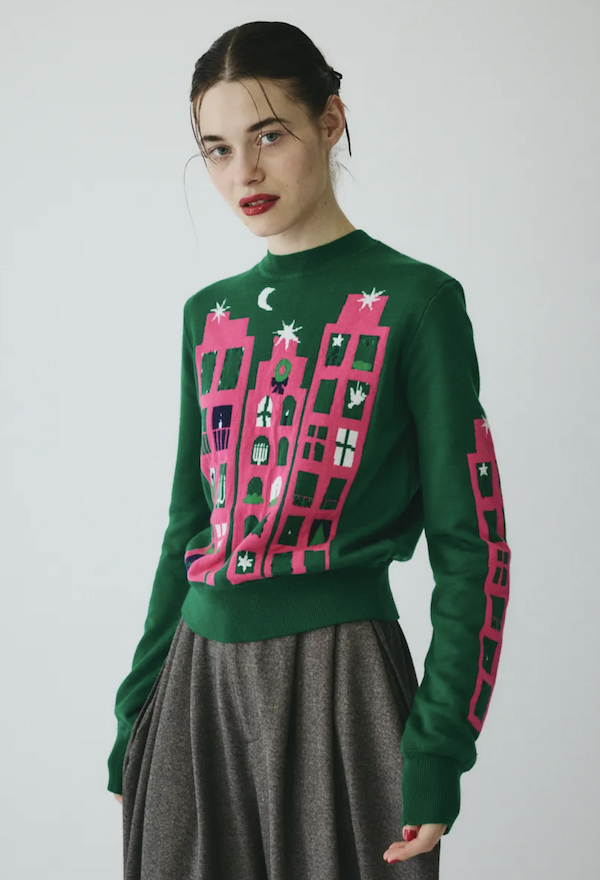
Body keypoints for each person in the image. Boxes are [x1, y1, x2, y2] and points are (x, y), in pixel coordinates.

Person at [108, 20, 511, 880]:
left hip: (343, 685)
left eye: (268, 136)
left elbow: (473, 547)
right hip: (194, 689)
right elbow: (188, 529)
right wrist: (134, 712)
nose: (243, 175)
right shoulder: (208, 316)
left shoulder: (418, 303)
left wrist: (439, 746)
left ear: (331, 121)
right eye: (217, 150)